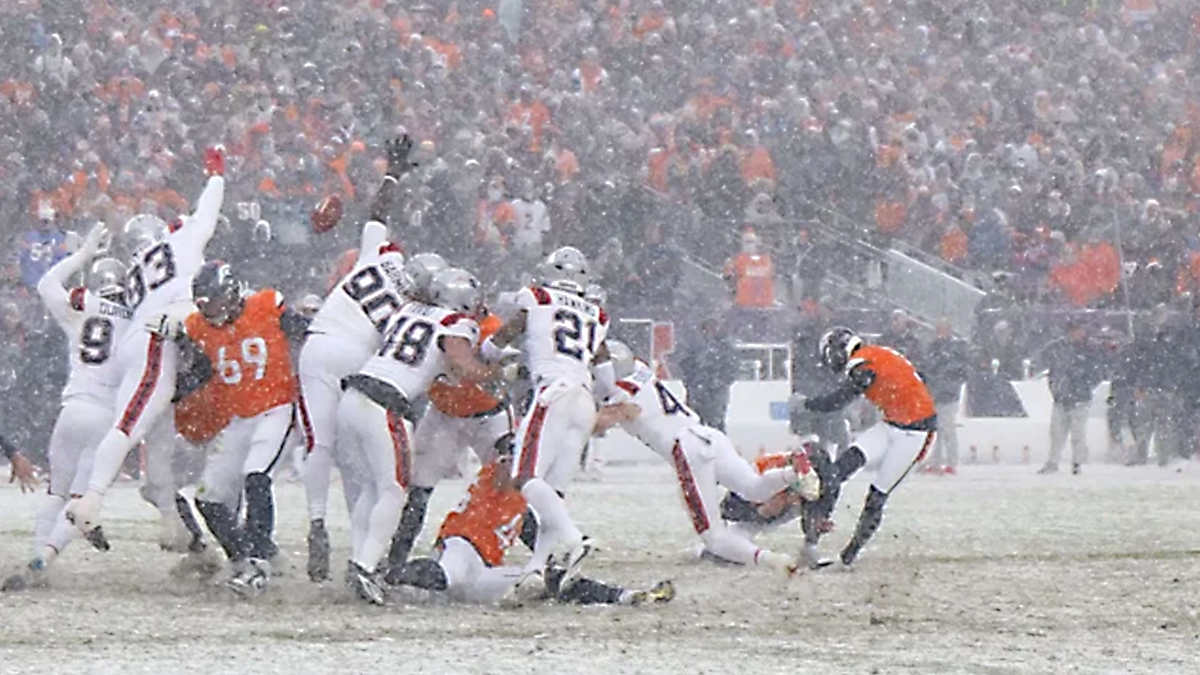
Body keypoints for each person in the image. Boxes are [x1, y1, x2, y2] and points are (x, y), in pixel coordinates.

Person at [64, 146, 226, 541]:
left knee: (154, 432)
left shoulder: (135, 269)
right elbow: (207, 213)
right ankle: (91, 499)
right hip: (163, 334)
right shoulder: (178, 241)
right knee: (132, 424)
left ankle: (171, 522)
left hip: (151, 338)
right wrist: (217, 177)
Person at [296, 136, 416, 582]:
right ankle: (362, 550)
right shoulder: (413, 303)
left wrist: (394, 172)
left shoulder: (372, 258)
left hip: (321, 341)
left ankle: (316, 520)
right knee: (359, 467)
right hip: (360, 361)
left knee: (318, 444)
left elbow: (378, 212)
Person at [337, 268, 495, 604]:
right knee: (395, 490)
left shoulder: (406, 310)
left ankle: (360, 559)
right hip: (384, 403)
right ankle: (365, 567)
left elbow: (431, 362)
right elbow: (462, 365)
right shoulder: (456, 323)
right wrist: (496, 372)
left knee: (373, 487)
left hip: (353, 395)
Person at [602, 342, 819, 576]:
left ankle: (773, 561)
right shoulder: (640, 370)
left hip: (685, 447)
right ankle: (793, 473)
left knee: (714, 538)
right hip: (708, 434)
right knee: (754, 489)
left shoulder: (621, 391)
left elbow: (603, 421)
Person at [482, 246, 613, 599]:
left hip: (552, 392)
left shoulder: (537, 296)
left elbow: (499, 341)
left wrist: (495, 354)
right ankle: (536, 568)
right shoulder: (597, 314)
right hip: (583, 398)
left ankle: (575, 540)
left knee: (525, 477)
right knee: (553, 493)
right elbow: (607, 379)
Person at [4, 224, 129, 590]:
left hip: (71, 408)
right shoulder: (136, 318)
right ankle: (44, 559)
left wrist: (82, 254)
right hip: (106, 416)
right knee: (80, 498)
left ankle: (35, 555)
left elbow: (46, 284)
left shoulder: (83, 305)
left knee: (56, 492)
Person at [176, 261, 309, 596]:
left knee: (256, 476)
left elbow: (308, 335)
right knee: (208, 497)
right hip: (237, 419)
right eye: (204, 305)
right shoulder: (197, 327)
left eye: (216, 301)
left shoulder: (266, 305)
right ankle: (244, 561)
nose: (211, 311)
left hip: (276, 409)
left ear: (233, 292)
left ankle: (260, 562)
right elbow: (198, 373)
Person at [390, 456, 673, 607]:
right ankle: (387, 580)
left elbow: (531, 533)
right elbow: (504, 470)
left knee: (547, 582)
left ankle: (626, 596)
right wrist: (524, 458)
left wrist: (549, 561)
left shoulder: (524, 496)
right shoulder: (503, 472)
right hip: (460, 544)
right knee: (446, 575)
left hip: (483, 572)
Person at [382, 307, 513, 583]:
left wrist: (495, 370)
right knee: (418, 492)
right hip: (444, 414)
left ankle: (545, 559)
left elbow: (493, 372)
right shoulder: (440, 322)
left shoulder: (490, 327)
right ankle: (396, 561)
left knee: (513, 486)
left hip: (489, 417)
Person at [791, 327, 937, 568]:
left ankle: (846, 558)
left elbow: (838, 400)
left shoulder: (863, 364)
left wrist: (807, 404)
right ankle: (811, 544)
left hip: (915, 434)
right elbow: (918, 377)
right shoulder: (876, 354)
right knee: (837, 472)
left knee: (876, 495)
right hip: (892, 423)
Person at [1039, 321, 1102, 475]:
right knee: (1056, 433)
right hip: (1062, 398)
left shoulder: (1088, 350)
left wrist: (1084, 385)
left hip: (1079, 398)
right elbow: (1051, 368)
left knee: (1077, 434)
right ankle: (1053, 461)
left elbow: (1096, 373)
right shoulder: (1058, 348)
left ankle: (1077, 462)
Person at [921, 319, 969, 474]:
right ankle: (935, 461)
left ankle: (951, 462)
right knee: (936, 430)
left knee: (948, 428)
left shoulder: (956, 348)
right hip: (935, 393)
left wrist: (950, 382)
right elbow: (928, 367)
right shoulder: (933, 347)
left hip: (949, 395)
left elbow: (960, 370)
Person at [675, 316, 739, 431]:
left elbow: (732, 368)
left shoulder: (725, 346)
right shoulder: (694, 345)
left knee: (715, 421)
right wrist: (690, 381)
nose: (711, 330)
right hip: (697, 390)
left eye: (714, 326)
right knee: (694, 422)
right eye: (708, 327)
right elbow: (685, 364)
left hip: (716, 392)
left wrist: (720, 381)